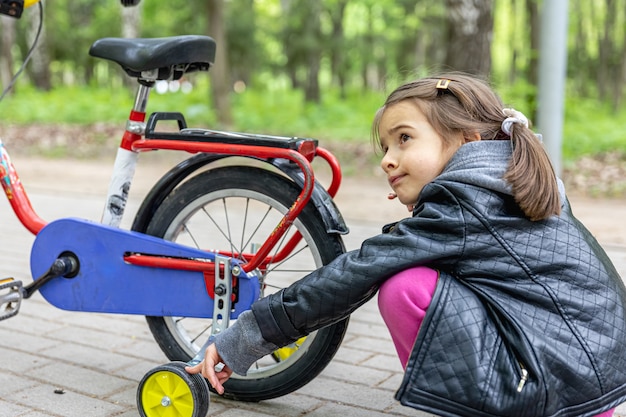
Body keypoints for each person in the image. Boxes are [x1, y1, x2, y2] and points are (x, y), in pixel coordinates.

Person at [186, 72, 626, 417]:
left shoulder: (464, 203)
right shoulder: (505, 184)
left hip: (556, 389)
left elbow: (354, 273)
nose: (386, 159)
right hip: (591, 381)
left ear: (467, 141)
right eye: (385, 146)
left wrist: (244, 337)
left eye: (404, 138)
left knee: (406, 287)